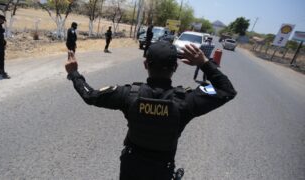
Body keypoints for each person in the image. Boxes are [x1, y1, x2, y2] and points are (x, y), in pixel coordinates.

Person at [65, 41, 237, 180]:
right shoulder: (186, 101)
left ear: (145, 64)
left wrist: (74, 73)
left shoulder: (129, 94)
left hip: (130, 168)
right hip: (161, 171)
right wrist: (204, 63)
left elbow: (90, 95)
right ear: (175, 68)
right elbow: (226, 91)